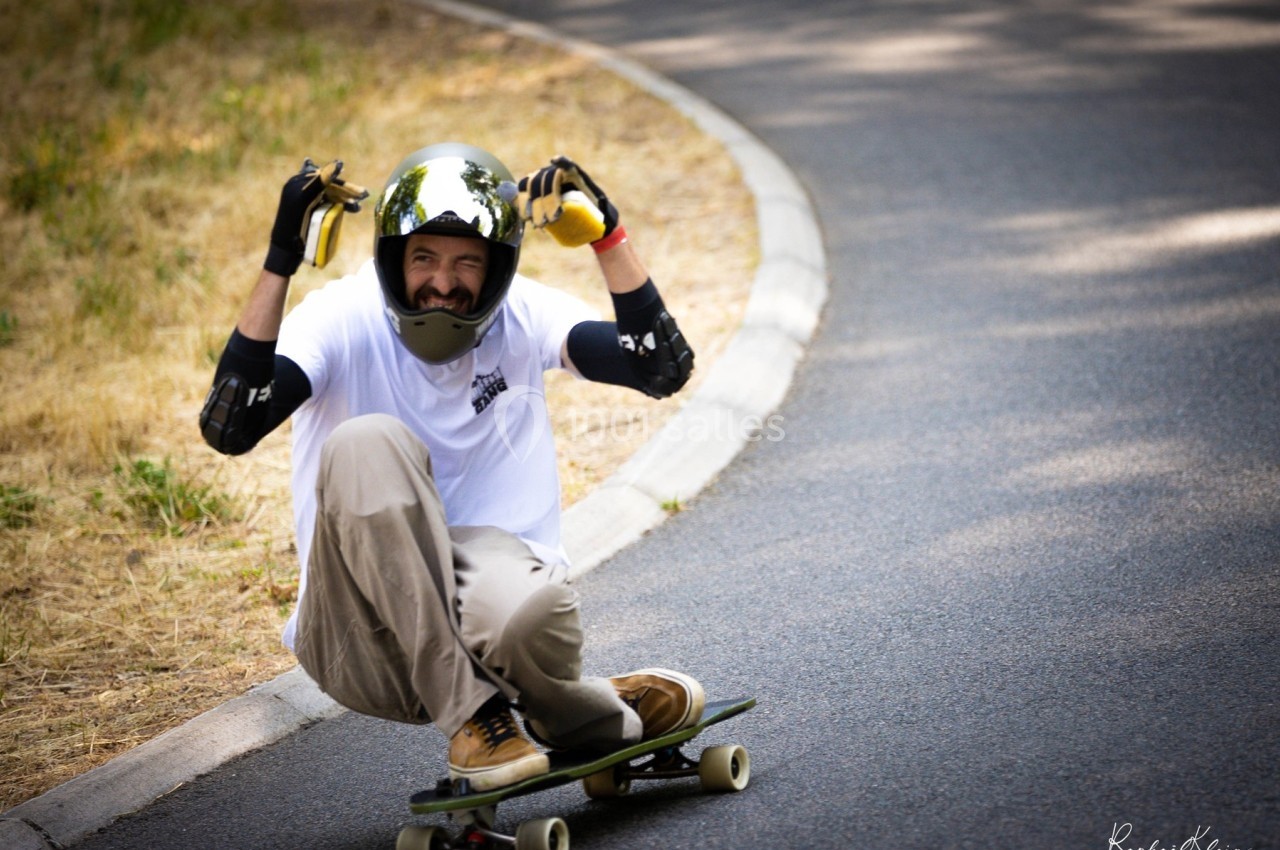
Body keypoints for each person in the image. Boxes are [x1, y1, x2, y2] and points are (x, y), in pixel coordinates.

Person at [199, 143, 702, 791]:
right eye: (424, 257)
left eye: (468, 261)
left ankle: (563, 715)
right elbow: (231, 426)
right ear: (393, 259)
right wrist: (280, 259)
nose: (443, 279)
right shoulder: (338, 319)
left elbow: (661, 368)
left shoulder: (522, 313)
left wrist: (609, 238)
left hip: (497, 632)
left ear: (498, 269)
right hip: (361, 636)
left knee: (528, 613)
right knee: (363, 444)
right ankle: (509, 713)